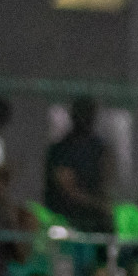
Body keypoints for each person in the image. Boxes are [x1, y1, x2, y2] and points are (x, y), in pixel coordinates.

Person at [44, 97, 110, 233]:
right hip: (65, 215)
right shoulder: (61, 149)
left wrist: (105, 203)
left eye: (90, 114)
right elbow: (67, 189)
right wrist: (98, 204)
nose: (86, 119)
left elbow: (107, 177)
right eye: (82, 113)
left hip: (96, 217)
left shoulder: (97, 147)